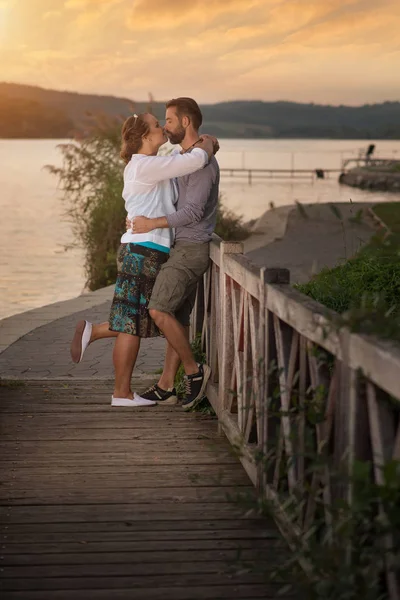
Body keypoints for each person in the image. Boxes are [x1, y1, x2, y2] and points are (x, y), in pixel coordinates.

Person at [70, 111, 215, 407]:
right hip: (144, 251)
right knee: (131, 323)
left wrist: (188, 146)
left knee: (133, 318)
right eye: (157, 125)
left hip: (142, 249)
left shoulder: (149, 164)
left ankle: (95, 335)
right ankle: (122, 393)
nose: (162, 127)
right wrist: (209, 144)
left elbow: (177, 158)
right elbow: (193, 160)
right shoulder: (144, 166)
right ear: (145, 137)